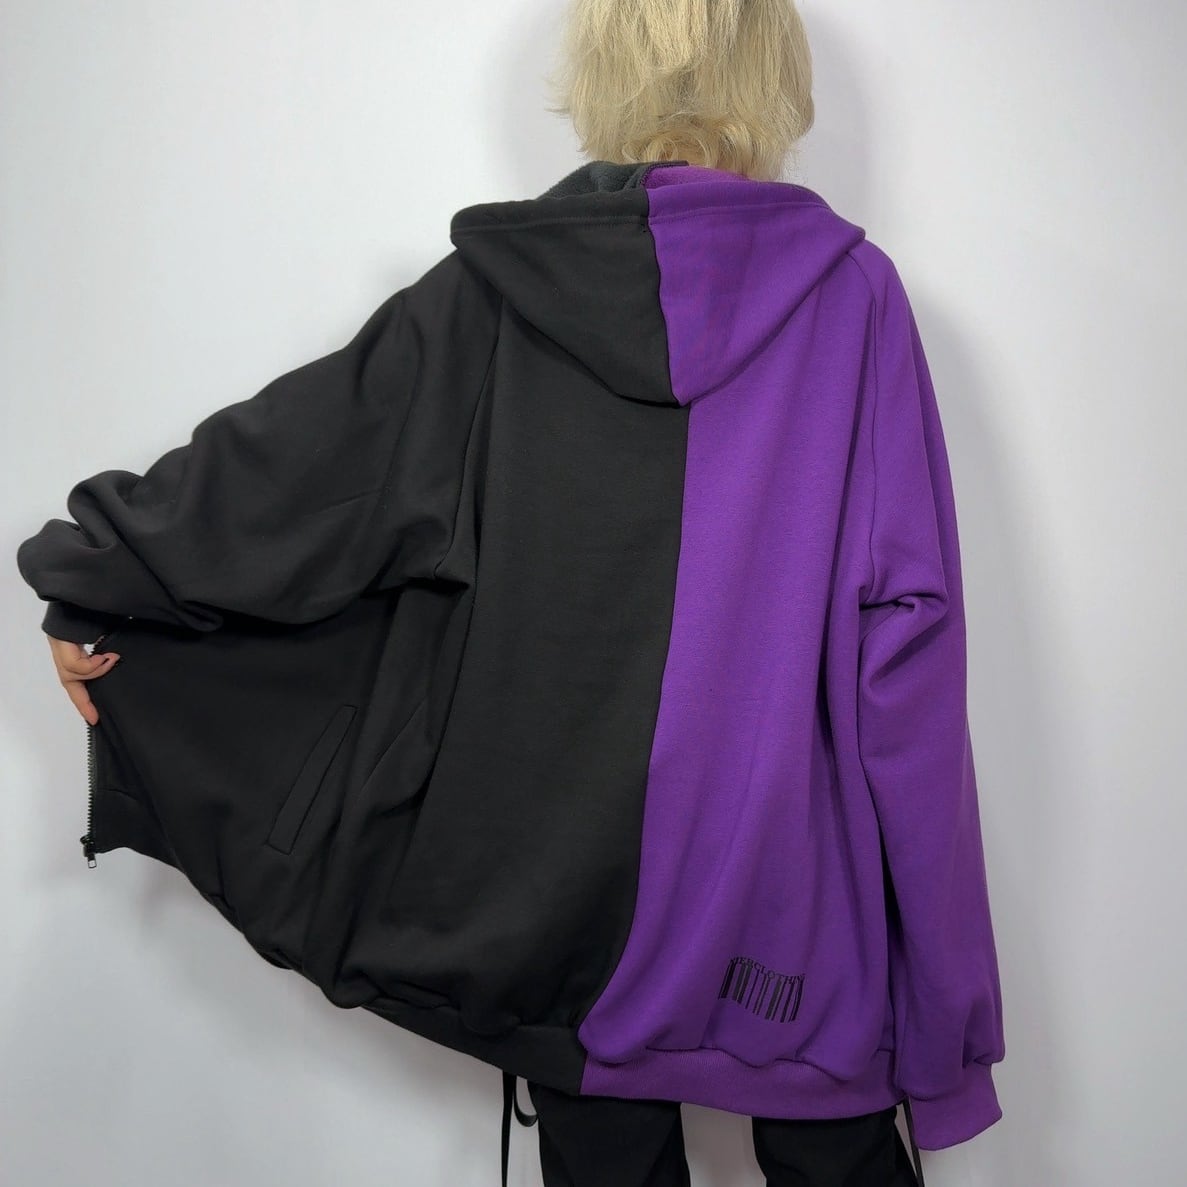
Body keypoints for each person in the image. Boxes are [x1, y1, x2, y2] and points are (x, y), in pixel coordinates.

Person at [17, 2, 1005, 1185]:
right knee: (832, 1150)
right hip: (792, 895)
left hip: (562, 894)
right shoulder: (851, 300)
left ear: (600, 72)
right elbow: (906, 637)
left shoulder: (492, 295)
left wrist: (98, 575)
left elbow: (295, 483)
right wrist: (942, 994)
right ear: (771, 76)